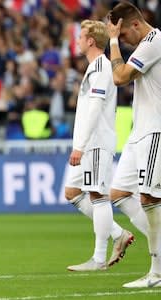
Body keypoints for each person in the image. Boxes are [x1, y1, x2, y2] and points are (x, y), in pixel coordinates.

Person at [64, 20, 139, 272]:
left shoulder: (101, 69)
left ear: (90, 41)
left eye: (80, 36)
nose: (77, 41)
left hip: (95, 143)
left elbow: (95, 109)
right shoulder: (94, 67)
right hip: (88, 143)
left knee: (97, 195)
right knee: (72, 192)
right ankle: (118, 234)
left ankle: (98, 259)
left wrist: (81, 146)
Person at [107, 1, 161, 288]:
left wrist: (113, 41)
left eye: (124, 34)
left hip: (155, 130)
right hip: (138, 131)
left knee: (150, 199)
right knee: (118, 193)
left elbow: (120, 77)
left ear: (136, 24)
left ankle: (157, 271)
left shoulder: (155, 41)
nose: (123, 41)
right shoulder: (144, 47)